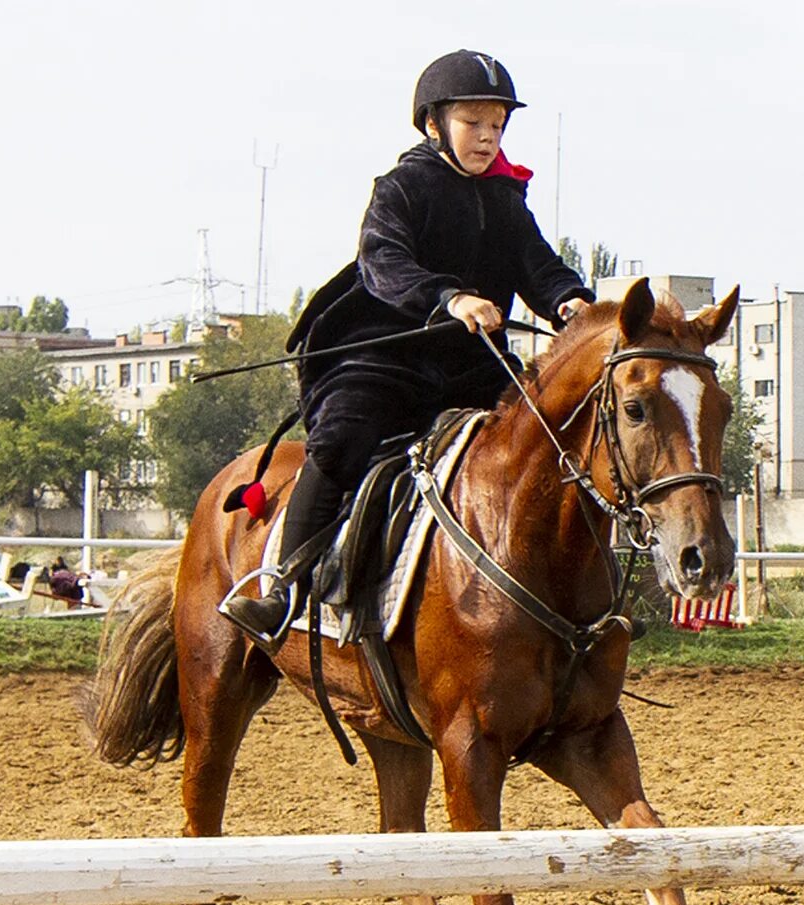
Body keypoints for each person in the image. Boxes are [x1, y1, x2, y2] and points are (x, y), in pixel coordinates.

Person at [220, 49, 594, 652]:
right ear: (433, 124)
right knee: (342, 437)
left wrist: (571, 302)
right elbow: (384, 263)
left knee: (539, 438)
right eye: (475, 123)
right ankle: (282, 583)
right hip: (385, 356)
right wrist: (449, 298)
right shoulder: (401, 187)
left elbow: (538, 265)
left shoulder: (504, 199)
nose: (488, 137)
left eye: (497, 125)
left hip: (470, 365)